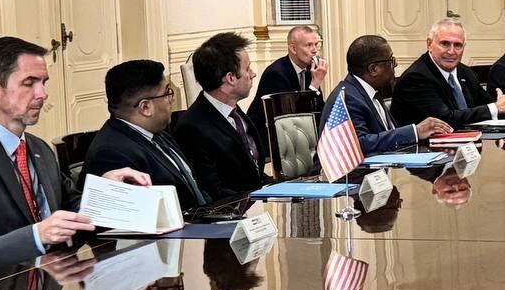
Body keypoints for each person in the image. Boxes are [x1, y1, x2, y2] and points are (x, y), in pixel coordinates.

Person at [0, 37, 150, 284]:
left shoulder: (38, 149)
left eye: (43, 83)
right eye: (29, 83)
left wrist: (104, 191)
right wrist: (35, 235)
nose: (42, 94)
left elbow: (68, 207)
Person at [81, 60, 208, 208]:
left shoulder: (156, 132)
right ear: (146, 107)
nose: (171, 99)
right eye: (167, 93)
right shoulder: (113, 154)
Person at [174, 32, 267, 199]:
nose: (252, 74)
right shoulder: (192, 128)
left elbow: (254, 175)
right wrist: (258, 196)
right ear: (230, 78)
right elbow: (212, 191)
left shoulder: (236, 114)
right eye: (247, 69)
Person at [322, 35, 450, 155]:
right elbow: (359, 144)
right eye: (391, 60)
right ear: (373, 69)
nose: (395, 65)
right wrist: (415, 132)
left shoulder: (371, 91)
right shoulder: (348, 98)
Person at [391, 20, 505, 129]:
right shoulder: (416, 78)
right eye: (445, 44)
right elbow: (445, 119)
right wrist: (496, 107)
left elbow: (488, 105)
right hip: (427, 152)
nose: (451, 51)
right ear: (429, 44)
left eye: (458, 45)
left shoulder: (465, 72)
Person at [247, 25, 329, 153]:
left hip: (295, 137)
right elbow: (292, 116)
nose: (314, 51)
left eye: (316, 45)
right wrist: (314, 85)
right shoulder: (276, 73)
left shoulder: (309, 71)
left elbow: (318, 110)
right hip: (269, 141)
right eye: (308, 45)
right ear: (293, 48)